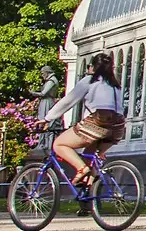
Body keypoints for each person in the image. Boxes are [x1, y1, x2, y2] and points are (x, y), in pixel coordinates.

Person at [45, 53, 126, 190]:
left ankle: (81, 168)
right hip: (117, 128)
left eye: (89, 66)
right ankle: (88, 203)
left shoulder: (89, 80)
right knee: (90, 159)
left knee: (59, 144)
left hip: (98, 124)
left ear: (93, 67)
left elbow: (68, 101)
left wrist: (47, 118)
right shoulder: (115, 85)